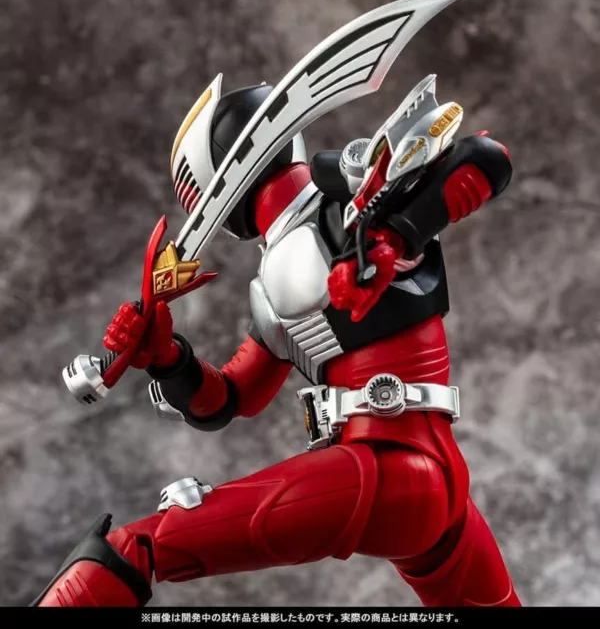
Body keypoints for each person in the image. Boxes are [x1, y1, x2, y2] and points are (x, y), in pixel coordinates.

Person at [33, 73, 520, 607]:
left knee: (137, 548)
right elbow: (230, 397)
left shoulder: (352, 204)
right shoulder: (273, 288)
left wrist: (391, 234)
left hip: (386, 473)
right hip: (412, 478)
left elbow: (486, 157)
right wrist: (167, 359)